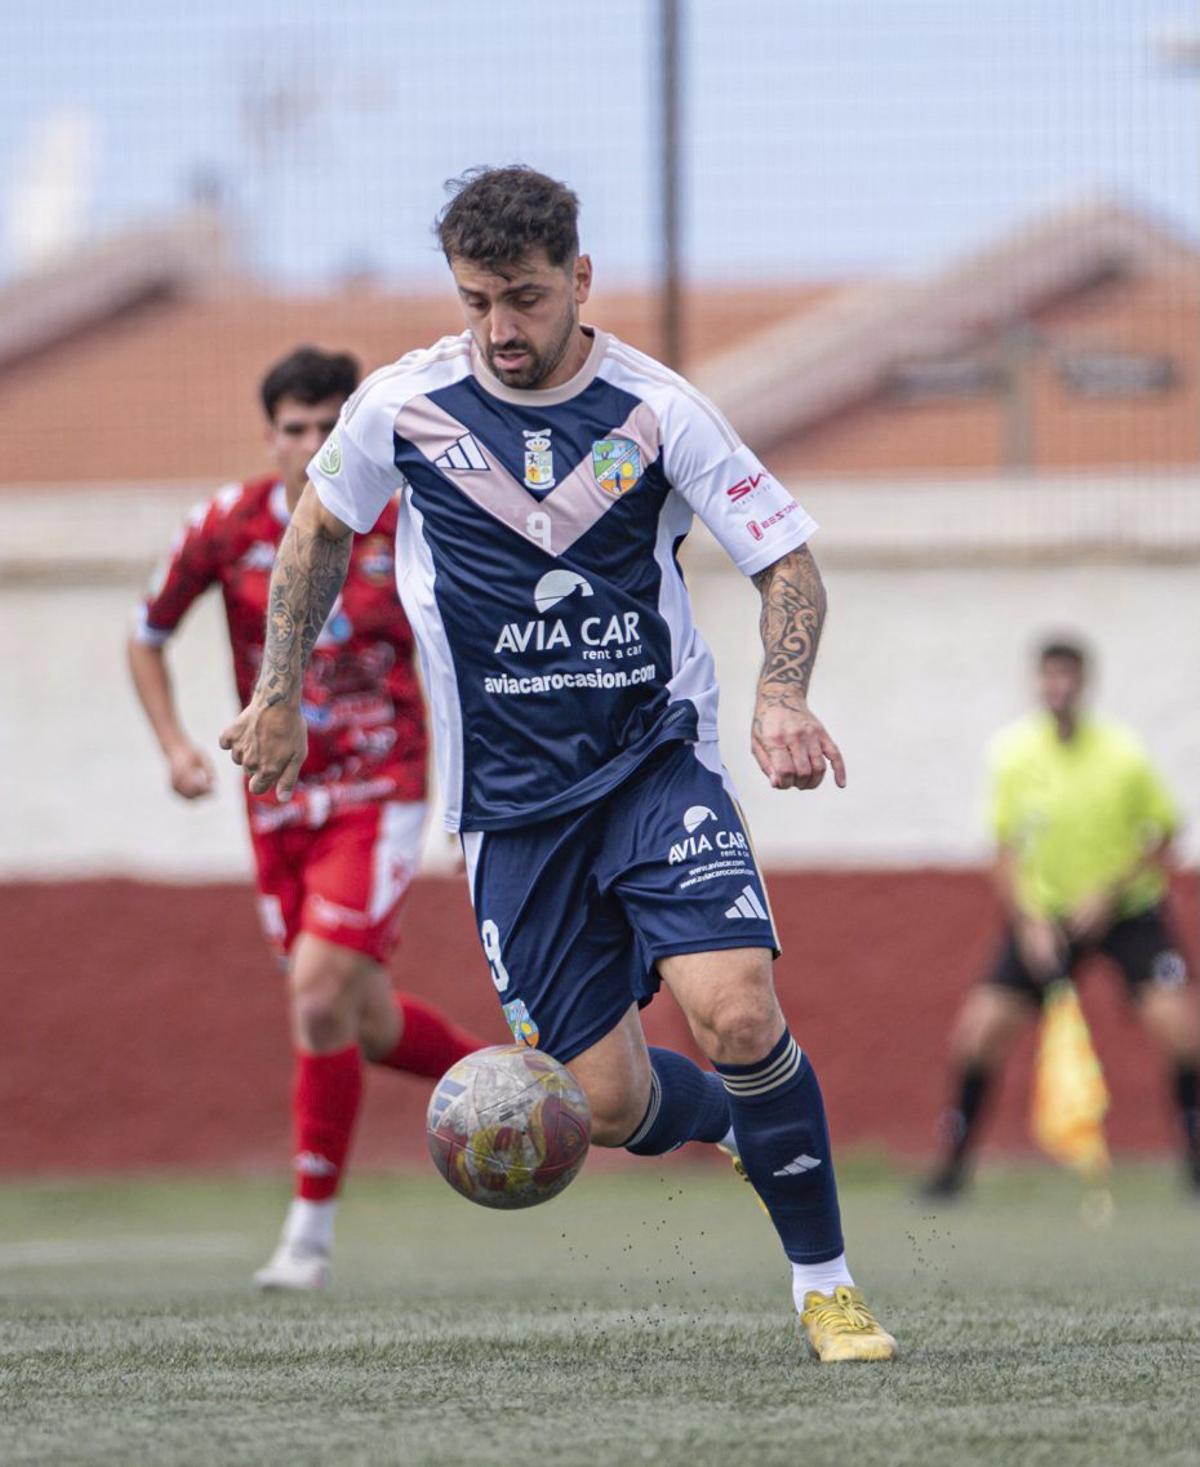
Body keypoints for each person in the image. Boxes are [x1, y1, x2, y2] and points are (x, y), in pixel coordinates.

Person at [220, 168, 898, 1362]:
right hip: (511, 814)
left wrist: (782, 692)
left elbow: (785, 562)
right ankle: (737, 1130)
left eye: (524, 299)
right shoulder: (403, 406)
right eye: (477, 300)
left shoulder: (659, 408)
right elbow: (319, 530)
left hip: (651, 767)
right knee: (613, 1105)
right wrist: (278, 692)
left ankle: (827, 1287)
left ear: (579, 280)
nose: (499, 330)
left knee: (736, 1013)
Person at [128, 346, 485, 1291]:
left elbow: (456, 663)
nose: (314, 444)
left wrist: (465, 794)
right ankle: (508, 1085)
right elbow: (146, 633)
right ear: (271, 436)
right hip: (276, 802)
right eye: (296, 428)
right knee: (358, 1019)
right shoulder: (226, 523)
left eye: (332, 426)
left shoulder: (406, 527)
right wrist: (173, 744)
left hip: (379, 795)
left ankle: (309, 1233)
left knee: (320, 993)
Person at [923, 637, 1200, 1198]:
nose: (1059, 688)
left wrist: (1108, 892)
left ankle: (1195, 1163)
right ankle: (951, 1169)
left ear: (1084, 683)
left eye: (1068, 677)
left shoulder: (1123, 753)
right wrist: (1029, 925)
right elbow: (1002, 851)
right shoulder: (1013, 754)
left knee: (1182, 1032)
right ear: (1038, 683)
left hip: (1127, 913)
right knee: (977, 1035)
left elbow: (1165, 832)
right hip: (1044, 919)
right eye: (1049, 677)